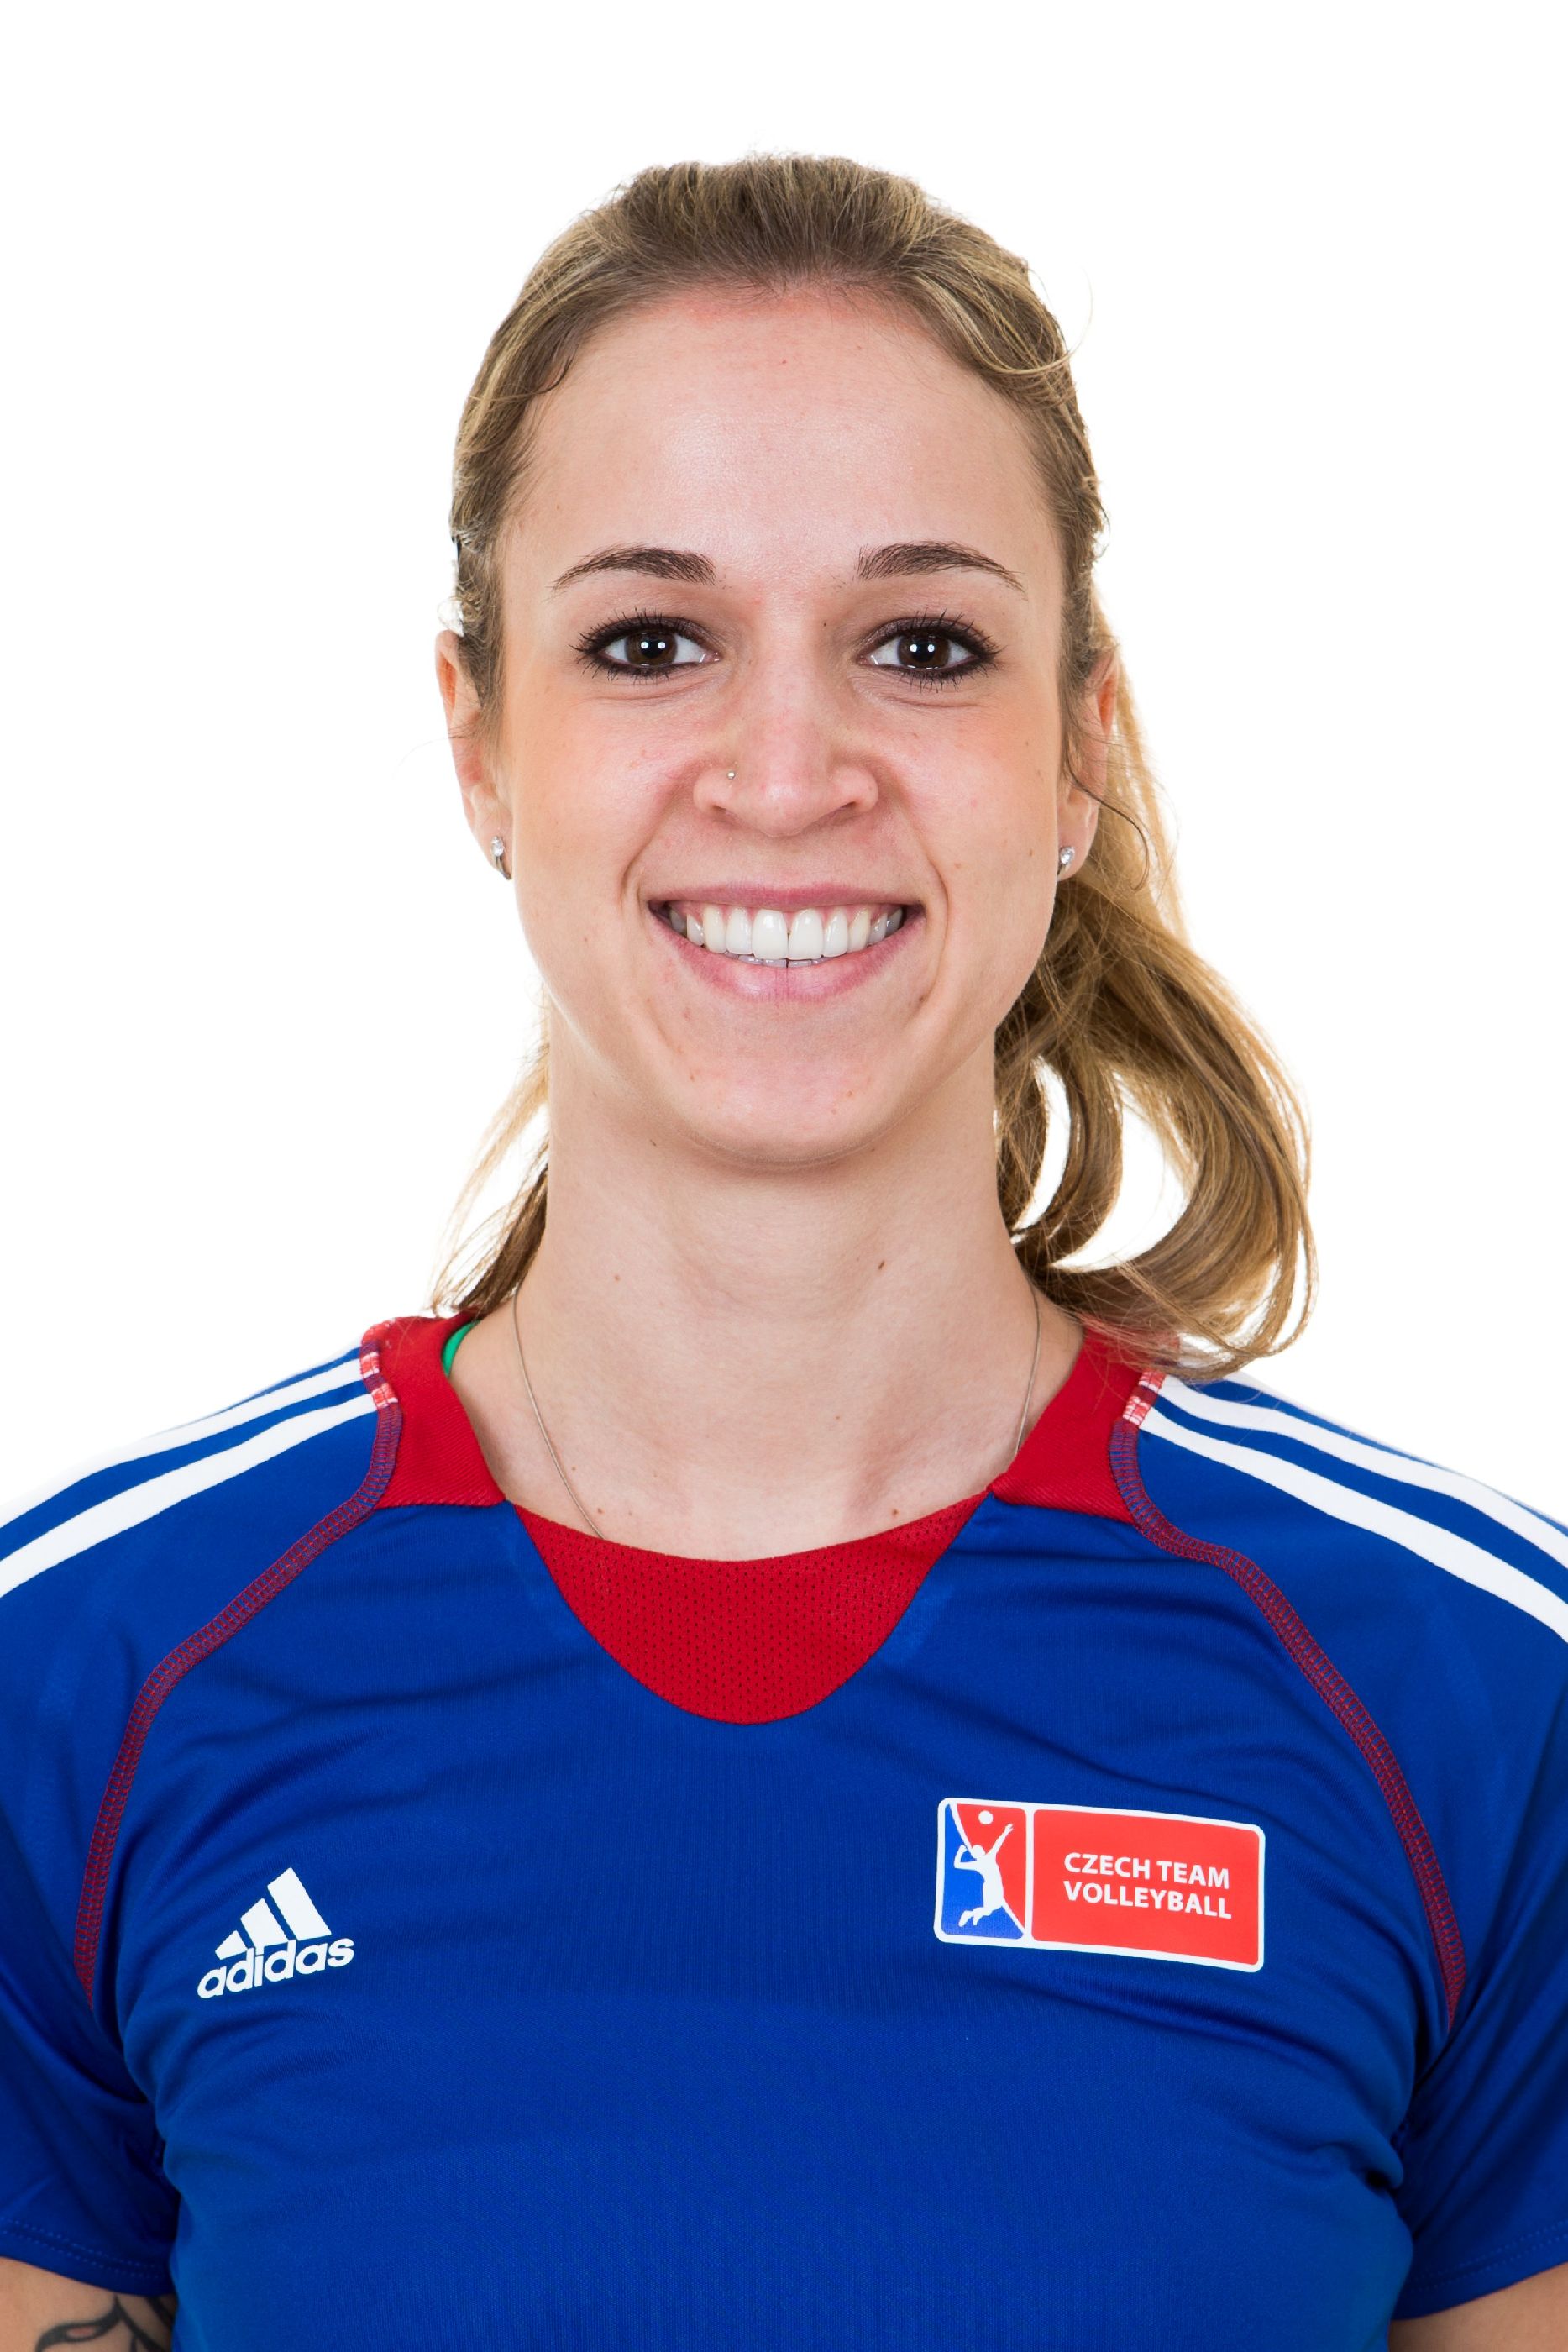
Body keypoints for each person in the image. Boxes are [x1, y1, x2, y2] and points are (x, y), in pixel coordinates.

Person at [2, 153, 1564, 2352]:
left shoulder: (1473, 1695)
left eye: (922, 646)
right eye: (650, 643)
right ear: (477, 741)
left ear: (1079, 749)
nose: (786, 768)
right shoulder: (80, 1681)